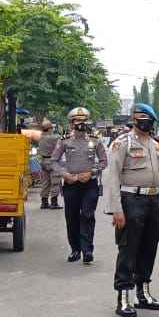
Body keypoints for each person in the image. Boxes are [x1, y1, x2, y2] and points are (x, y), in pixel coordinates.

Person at [103, 103, 159, 317]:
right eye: (142, 118)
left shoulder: (155, 145)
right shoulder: (123, 142)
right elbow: (113, 176)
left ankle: (143, 294)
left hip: (153, 200)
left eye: (149, 119)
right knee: (128, 248)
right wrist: (116, 209)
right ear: (134, 120)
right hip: (131, 199)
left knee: (149, 247)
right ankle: (124, 296)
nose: (146, 122)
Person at [50, 109, 108, 264]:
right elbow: (53, 161)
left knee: (88, 216)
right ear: (71, 124)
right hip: (71, 183)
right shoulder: (64, 140)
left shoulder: (95, 140)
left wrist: (92, 172)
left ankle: (87, 250)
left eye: (84, 120)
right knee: (72, 217)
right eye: (77, 121)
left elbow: (104, 161)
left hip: (89, 183)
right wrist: (64, 175)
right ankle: (75, 249)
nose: (81, 124)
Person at [37, 119, 64, 210]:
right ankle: (54, 202)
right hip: (52, 161)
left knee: (45, 182)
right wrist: (61, 131)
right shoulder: (53, 138)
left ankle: (44, 202)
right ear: (49, 129)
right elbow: (62, 138)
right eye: (51, 128)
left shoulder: (41, 137)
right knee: (55, 182)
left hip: (43, 161)